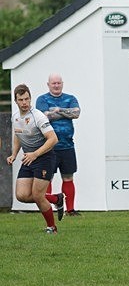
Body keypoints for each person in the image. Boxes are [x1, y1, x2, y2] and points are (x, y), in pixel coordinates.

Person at [7, 84, 64, 233]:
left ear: (30, 99)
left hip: (44, 157)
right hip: (29, 158)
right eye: (21, 100)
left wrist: (35, 154)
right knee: (22, 195)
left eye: (27, 99)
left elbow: (53, 139)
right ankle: (55, 199)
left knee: (38, 196)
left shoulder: (38, 116)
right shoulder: (16, 118)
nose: (25, 102)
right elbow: (18, 135)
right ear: (16, 101)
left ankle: (52, 227)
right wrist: (14, 154)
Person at [36, 73, 81, 216]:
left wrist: (58, 110)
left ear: (62, 83)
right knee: (46, 178)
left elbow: (77, 113)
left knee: (68, 177)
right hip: (48, 147)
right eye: (53, 83)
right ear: (48, 84)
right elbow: (44, 116)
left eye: (58, 83)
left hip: (67, 145)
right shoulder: (42, 99)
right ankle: (47, 208)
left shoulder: (71, 98)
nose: (56, 85)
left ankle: (70, 210)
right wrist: (65, 112)